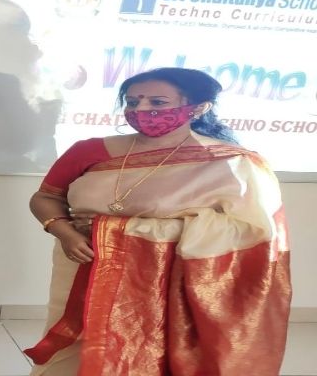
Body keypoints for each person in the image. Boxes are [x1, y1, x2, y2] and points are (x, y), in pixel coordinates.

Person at [24, 67, 291, 375]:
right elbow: (45, 198)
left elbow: (253, 233)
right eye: (133, 101)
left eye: (157, 102)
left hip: (172, 281)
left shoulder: (232, 163)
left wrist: (119, 230)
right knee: (79, 346)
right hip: (84, 263)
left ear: (199, 107)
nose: (141, 109)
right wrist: (64, 232)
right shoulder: (88, 150)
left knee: (157, 349)